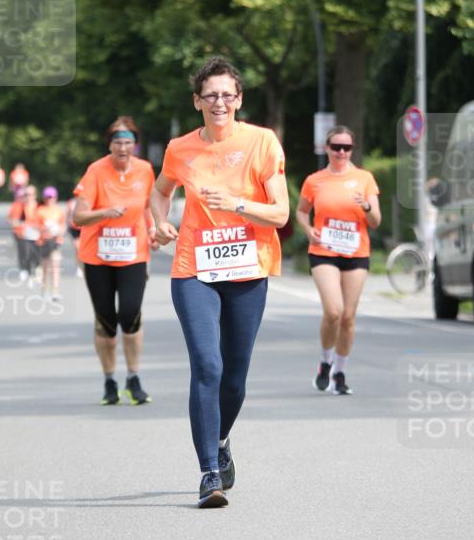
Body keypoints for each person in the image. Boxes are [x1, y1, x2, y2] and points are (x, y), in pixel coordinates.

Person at [151, 56, 289, 508]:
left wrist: (235, 203)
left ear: (239, 99)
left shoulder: (262, 142)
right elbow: (159, 191)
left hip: (249, 269)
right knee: (207, 367)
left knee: (234, 378)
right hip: (195, 268)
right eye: (210, 95)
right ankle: (209, 472)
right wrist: (160, 221)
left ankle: (222, 437)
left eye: (228, 94)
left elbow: (281, 214)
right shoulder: (180, 148)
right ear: (197, 101)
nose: (219, 102)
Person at [73, 116, 157, 407]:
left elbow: (149, 207)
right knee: (106, 321)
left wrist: (155, 229)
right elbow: (78, 216)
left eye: (128, 142)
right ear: (110, 144)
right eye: (118, 142)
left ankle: (133, 378)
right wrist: (105, 212)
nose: (123, 148)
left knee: (131, 314)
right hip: (97, 256)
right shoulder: (96, 171)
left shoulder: (145, 170)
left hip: (133, 253)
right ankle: (110, 380)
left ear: (135, 145)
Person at [296, 125, 381, 396]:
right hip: (323, 251)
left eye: (347, 147)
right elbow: (300, 211)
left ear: (352, 149)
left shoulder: (364, 179)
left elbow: (376, 221)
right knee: (333, 311)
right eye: (336, 147)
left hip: (356, 253)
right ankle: (325, 362)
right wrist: (309, 230)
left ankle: (340, 371)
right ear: (327, 148)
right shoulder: (315, 180)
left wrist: (366, 207)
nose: (341, 152)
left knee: (348, 317)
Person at [36, 186, 66, 301]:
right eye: (48, 197)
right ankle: (44, 290)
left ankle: (55, 291)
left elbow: (63, 225)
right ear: (44, 198)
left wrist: (59, 231)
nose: (50, 199)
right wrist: (44, 228)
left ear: (56, 197)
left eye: (52, 197)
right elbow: (35, 225)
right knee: (45, 267)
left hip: (56, 241)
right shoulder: (40, 210)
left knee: (55, 266)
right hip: (44, 241)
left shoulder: (59, 210)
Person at [8, 184, 41, 284]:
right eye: (26, 194)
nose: (28, 197)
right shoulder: (18, 206)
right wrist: (20, 224)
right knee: (25, 252)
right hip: (21, 233)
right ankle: (24, 269)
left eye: (31, 194)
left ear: (35, 195)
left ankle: (35, 270)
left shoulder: (39, 206)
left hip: (37, 234)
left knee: (35, 253)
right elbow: (11, 220)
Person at [66, 195, 83, 278]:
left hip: (84, 228)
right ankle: (79, 267)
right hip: (74, 228)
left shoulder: (87, 201)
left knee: (84, 249)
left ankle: (84, 267)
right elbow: (68, 215)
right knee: (77, 249)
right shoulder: (71, 202)